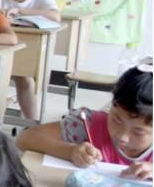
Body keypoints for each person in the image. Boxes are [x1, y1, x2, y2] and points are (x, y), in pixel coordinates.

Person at [17, 64, 152, 179]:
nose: (122, 136)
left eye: (138, 131)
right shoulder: (88, 124)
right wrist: (70, 151)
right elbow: (25, 138)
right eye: (117, 119)